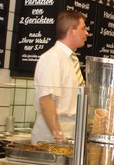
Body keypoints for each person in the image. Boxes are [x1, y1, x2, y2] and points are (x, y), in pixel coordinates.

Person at [31, 10, 88, 144]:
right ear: (71, 31)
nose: (86, 33)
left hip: (71, 136)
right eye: (83, 28)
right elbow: (46, 100)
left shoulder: (71, 59)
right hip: (51, 141)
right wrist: (58, 136)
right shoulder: (52, 58)